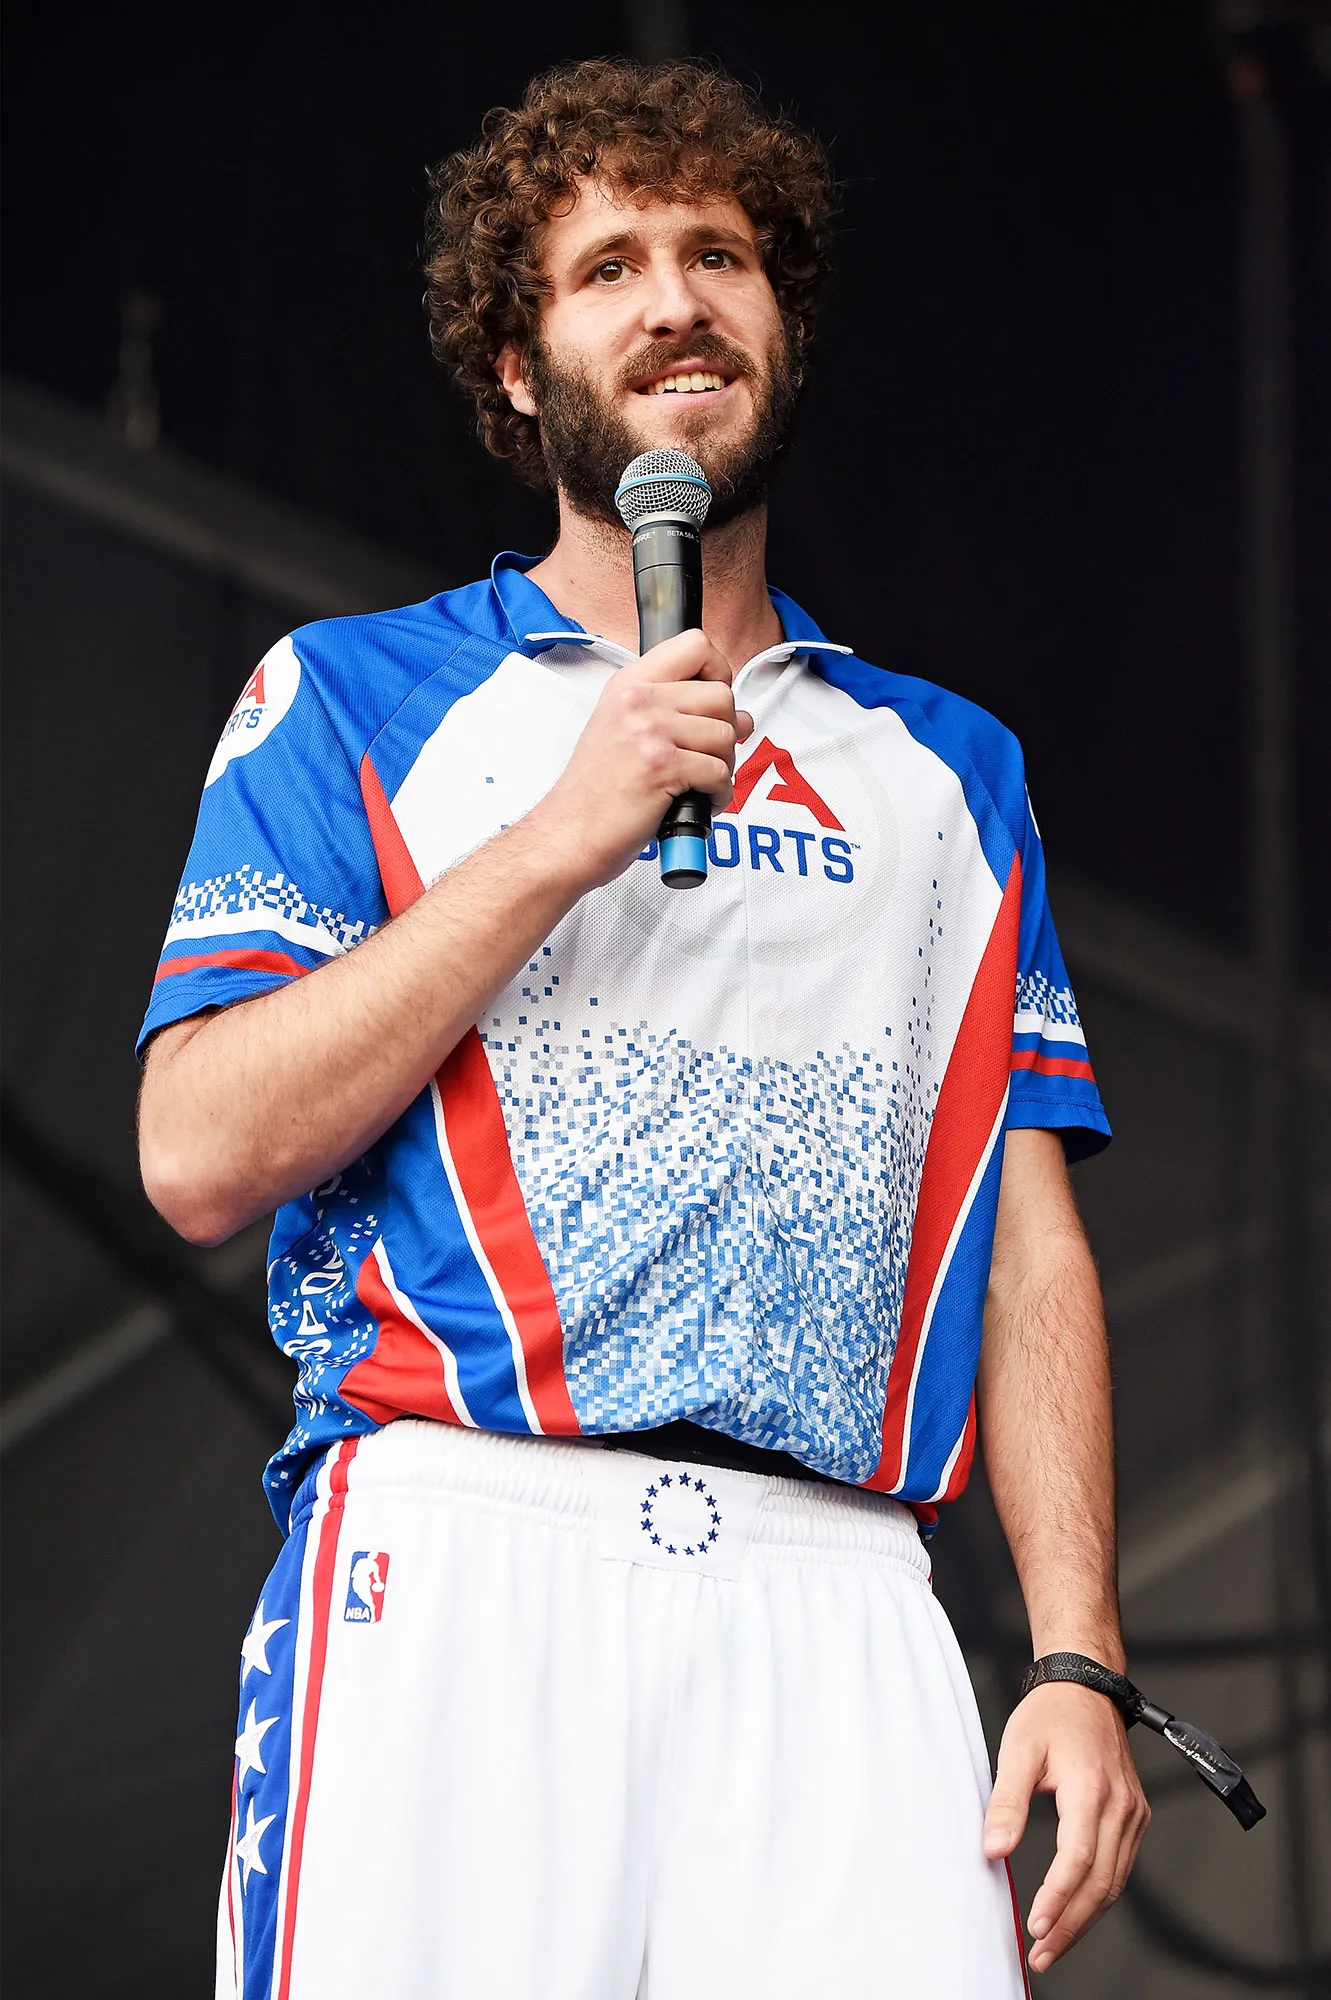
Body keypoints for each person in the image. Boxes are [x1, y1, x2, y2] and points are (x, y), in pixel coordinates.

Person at [137, 58, 1148, 2000]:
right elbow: (195, 1148)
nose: (675, 299)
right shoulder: (351, 695)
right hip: (460, 1538)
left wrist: (1078, 1656)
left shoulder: (949, 771)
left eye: (718, 255)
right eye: (607, 265)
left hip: (842, 1582)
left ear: (780, 324)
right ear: (519, 367)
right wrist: (560, 835)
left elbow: (1025, 1239)